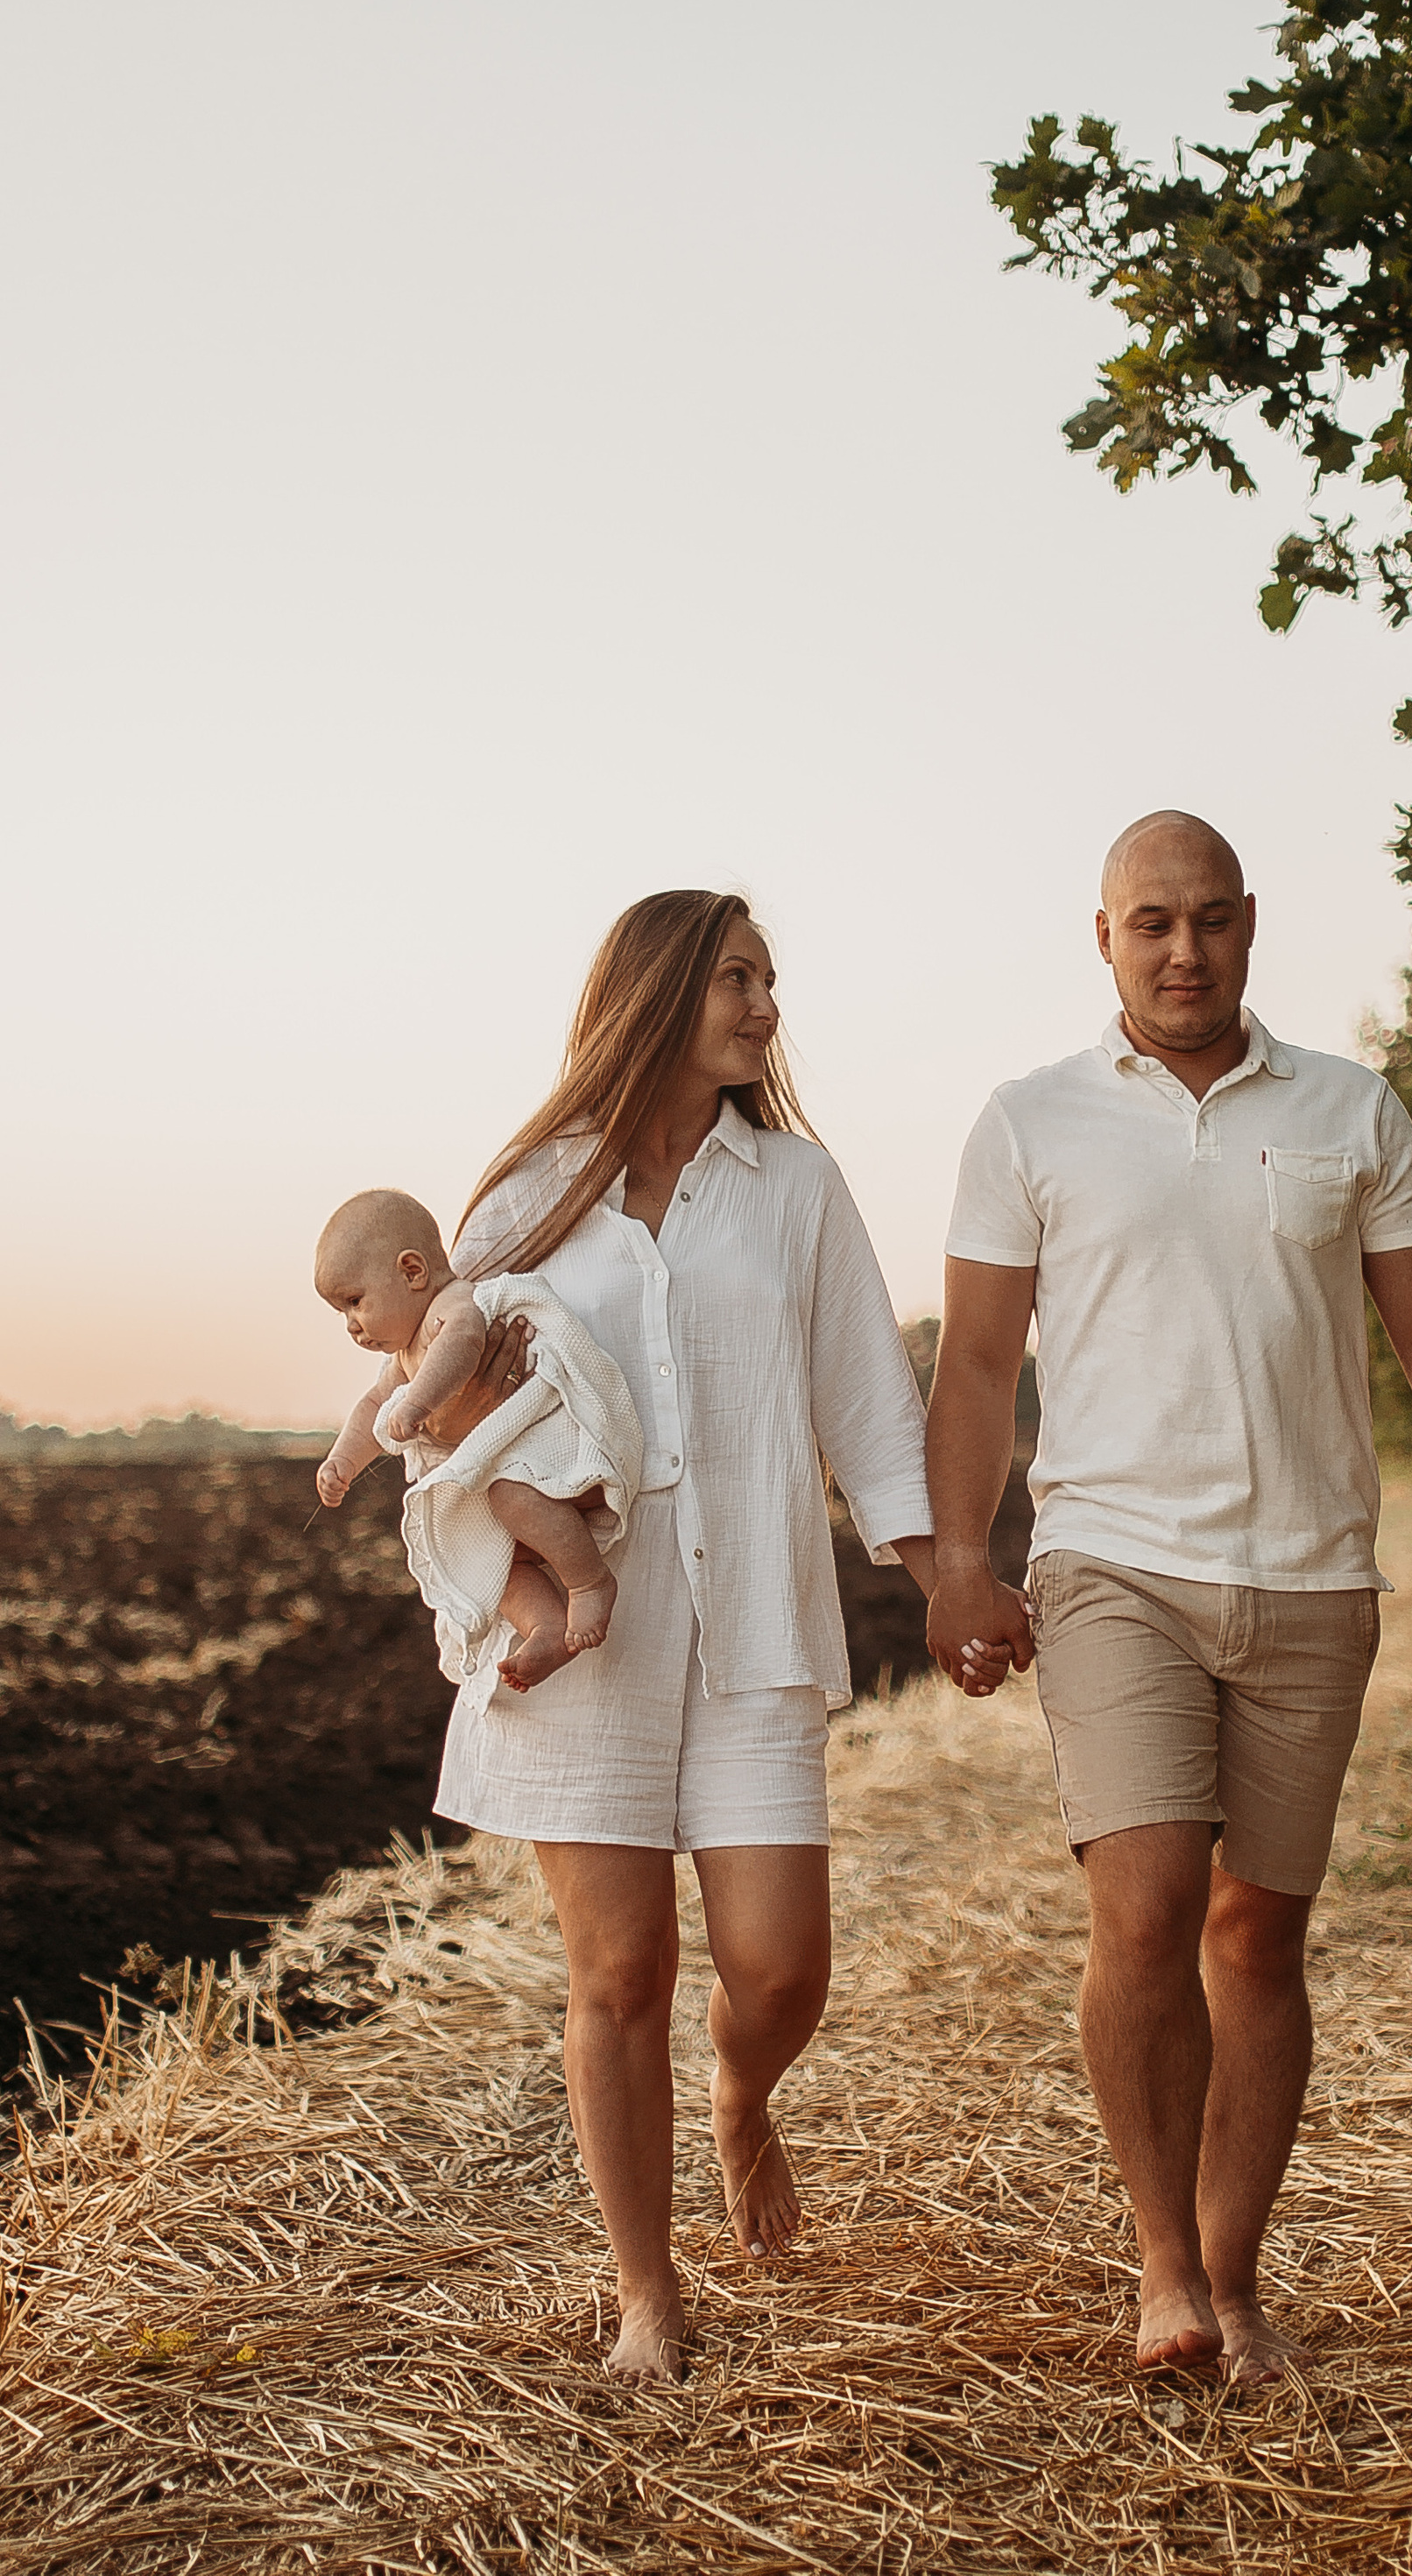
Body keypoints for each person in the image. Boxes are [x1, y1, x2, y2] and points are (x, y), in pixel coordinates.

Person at [924, 811, 1412, 2385]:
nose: (1182, 949)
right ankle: (1163, 2277)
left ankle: (1236, 2276)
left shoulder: (1351, 1108)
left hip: (1313, 1574)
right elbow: (983, 1362)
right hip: (1112, 1565)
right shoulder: (1029, 1123)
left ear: (1251, 925)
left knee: (1258, 1934)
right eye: (1152, 923)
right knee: (1144, 1913)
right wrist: (959, 1558)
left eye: (1209, 921)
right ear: (1105, 937)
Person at [411, 890, 935, 2380]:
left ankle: (741, 2093)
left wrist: (938, 1570)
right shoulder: (527, 1193)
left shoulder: (795, 1188)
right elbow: (453, 1405)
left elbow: (861, 1395)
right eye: (737, 978)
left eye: (771, 980)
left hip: (756, 1619)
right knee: (619, 1975)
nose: (766, 1006)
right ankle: (648, 2292)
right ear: (649, 997)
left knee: (779, 1972)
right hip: (593, 1645)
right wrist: (504, 1569)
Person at [313, 1189, 629, 1691]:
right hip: (513, 1479)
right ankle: (545, 1625)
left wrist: (418, 1403)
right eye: (342, 1313)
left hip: (556, 1451)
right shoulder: (402, 1359)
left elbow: (465, 1342)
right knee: (491, 1553)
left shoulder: (454, 1304)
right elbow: (374, 1406)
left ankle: (590, 1582)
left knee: (510, 1495)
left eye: (355, 1302)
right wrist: (342, 1462)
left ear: (412, 1271)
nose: (352, 1325)